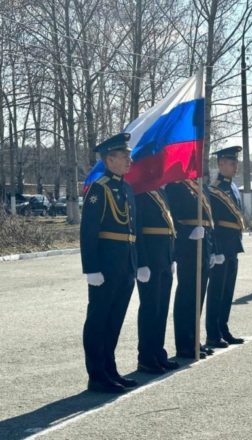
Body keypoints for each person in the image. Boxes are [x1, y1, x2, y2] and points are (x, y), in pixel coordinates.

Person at [80, 132, 138, 393]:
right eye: (124, 156)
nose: (129, 160)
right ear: (109, 159)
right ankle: (97, 374)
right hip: (105, 266)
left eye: (129, 155)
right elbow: (88, 230)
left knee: (114, 320)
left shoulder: (125, 188)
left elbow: (131, 230)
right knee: (99, 319)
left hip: (125, 264)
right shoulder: (99, 188)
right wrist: (91, 268)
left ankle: (110, 368)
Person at [165, 178, 217, 359]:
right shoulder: (175, 186)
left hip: (204, 245)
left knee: (198, 296)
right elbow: (171, 218)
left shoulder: (200, 186)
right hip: (188, 247)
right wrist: (188, 234)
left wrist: (213, 249)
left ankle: (194, 340)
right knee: (187, 295)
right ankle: (184, 344)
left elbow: (210, 221)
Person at [135, 188, 179, 374]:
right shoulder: (140, 193)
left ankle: (158, 352)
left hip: (164, 258)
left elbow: (170, 229)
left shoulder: (161, 192)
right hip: (150, 260)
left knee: (161, 309)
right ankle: (146, 356)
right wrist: (142, 262)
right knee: (150, 308)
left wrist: (171, 257)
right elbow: (137, 229)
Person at [206, 146, 245, 346]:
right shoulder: (214, 190)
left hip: (233, 245)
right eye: (232, 162)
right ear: (221, 164)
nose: (235, 165)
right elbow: (212, 223)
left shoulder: (233, 188)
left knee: (228, 290)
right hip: (221, 245)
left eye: (236, 162)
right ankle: (213, 333)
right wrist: (215, 250)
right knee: (216, 291)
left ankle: (223, 328)